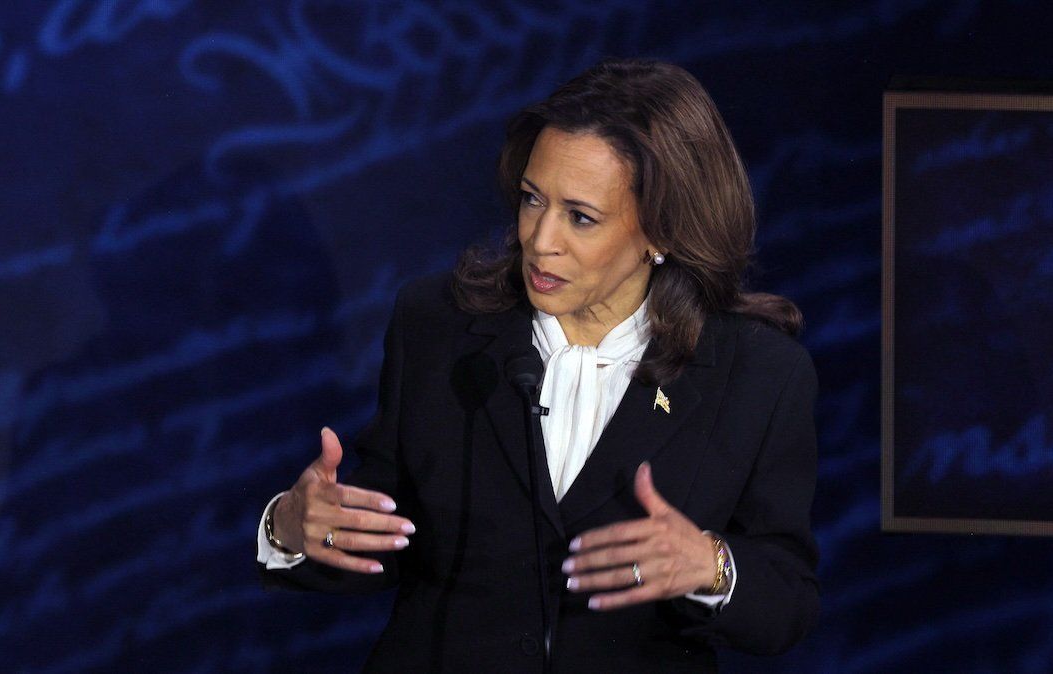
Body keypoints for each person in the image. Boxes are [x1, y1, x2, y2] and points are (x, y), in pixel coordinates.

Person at [256, 58, 819, 673]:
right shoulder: (439, 325)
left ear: (662, 231)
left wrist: (710, 564)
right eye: (531, 199)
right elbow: (383, 538)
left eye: (581, 216)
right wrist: (292, 528)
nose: (540, 238)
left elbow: (785, 602)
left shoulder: (758, 373)